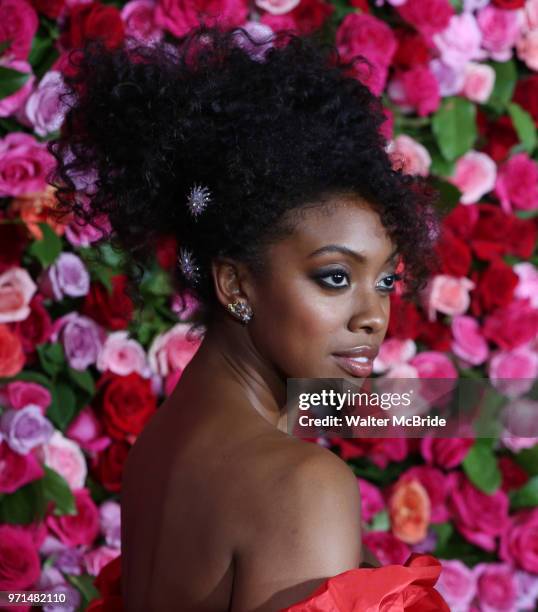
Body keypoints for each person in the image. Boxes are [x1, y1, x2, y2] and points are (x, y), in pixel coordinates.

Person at [49, 23, 448, 612]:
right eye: (335, 277)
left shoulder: (165, 442)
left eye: (386, 279)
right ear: (235, 282)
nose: (374, 316)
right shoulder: (302, 484)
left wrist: (510, 407)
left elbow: (416, 407)